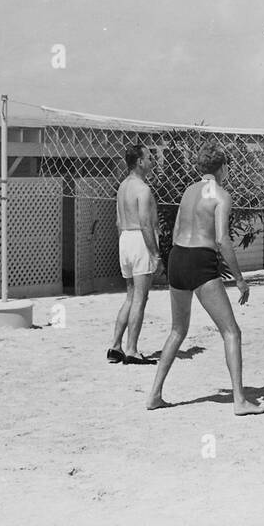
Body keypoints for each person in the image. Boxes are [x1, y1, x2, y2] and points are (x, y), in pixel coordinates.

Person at [145, 144, 264, 414]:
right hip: (200, 260)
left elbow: (176, 230)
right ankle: (239, 400)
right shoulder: (221, 195)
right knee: (231, 331)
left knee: (177, 330)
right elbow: (222, 239)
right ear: (223, 168)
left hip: (177, 257)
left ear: (200, 168)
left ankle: (154, 394)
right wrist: (239, 279)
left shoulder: (189, 191)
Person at [107, 144, 161, 365]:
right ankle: (132, 349)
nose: (152, 161)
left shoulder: (122, 187)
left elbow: (119, 221)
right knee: (140, 297)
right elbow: (146, 225)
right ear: (139, 162)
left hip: (125, 239)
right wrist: (155, 254)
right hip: (139, 240)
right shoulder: (142, 189)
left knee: (130, 295)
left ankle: (115, 346)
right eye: (149, 157)